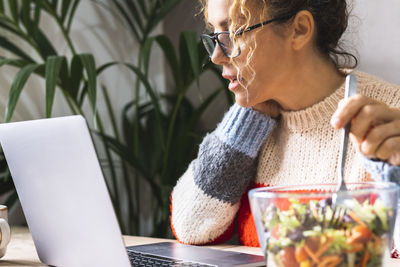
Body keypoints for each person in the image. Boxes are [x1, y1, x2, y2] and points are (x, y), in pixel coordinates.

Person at [170, 0, 400, 247]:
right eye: (215, 36)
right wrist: (246, 121)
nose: (216, 56)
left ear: (299, 29)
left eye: (234, 32)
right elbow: (190, 226)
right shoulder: (254, 125)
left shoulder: (389, 118)